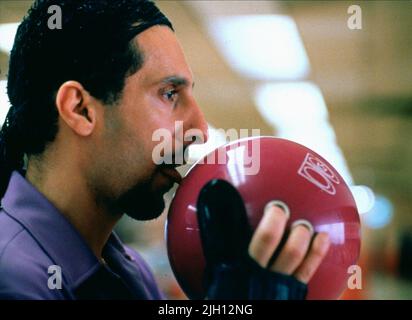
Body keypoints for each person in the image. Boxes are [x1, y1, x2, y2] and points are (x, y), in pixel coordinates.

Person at [0, 0, 330, 300]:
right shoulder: (13, 277)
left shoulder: (133, 273)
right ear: (81, 109)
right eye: (169, 93)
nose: (200, 130)